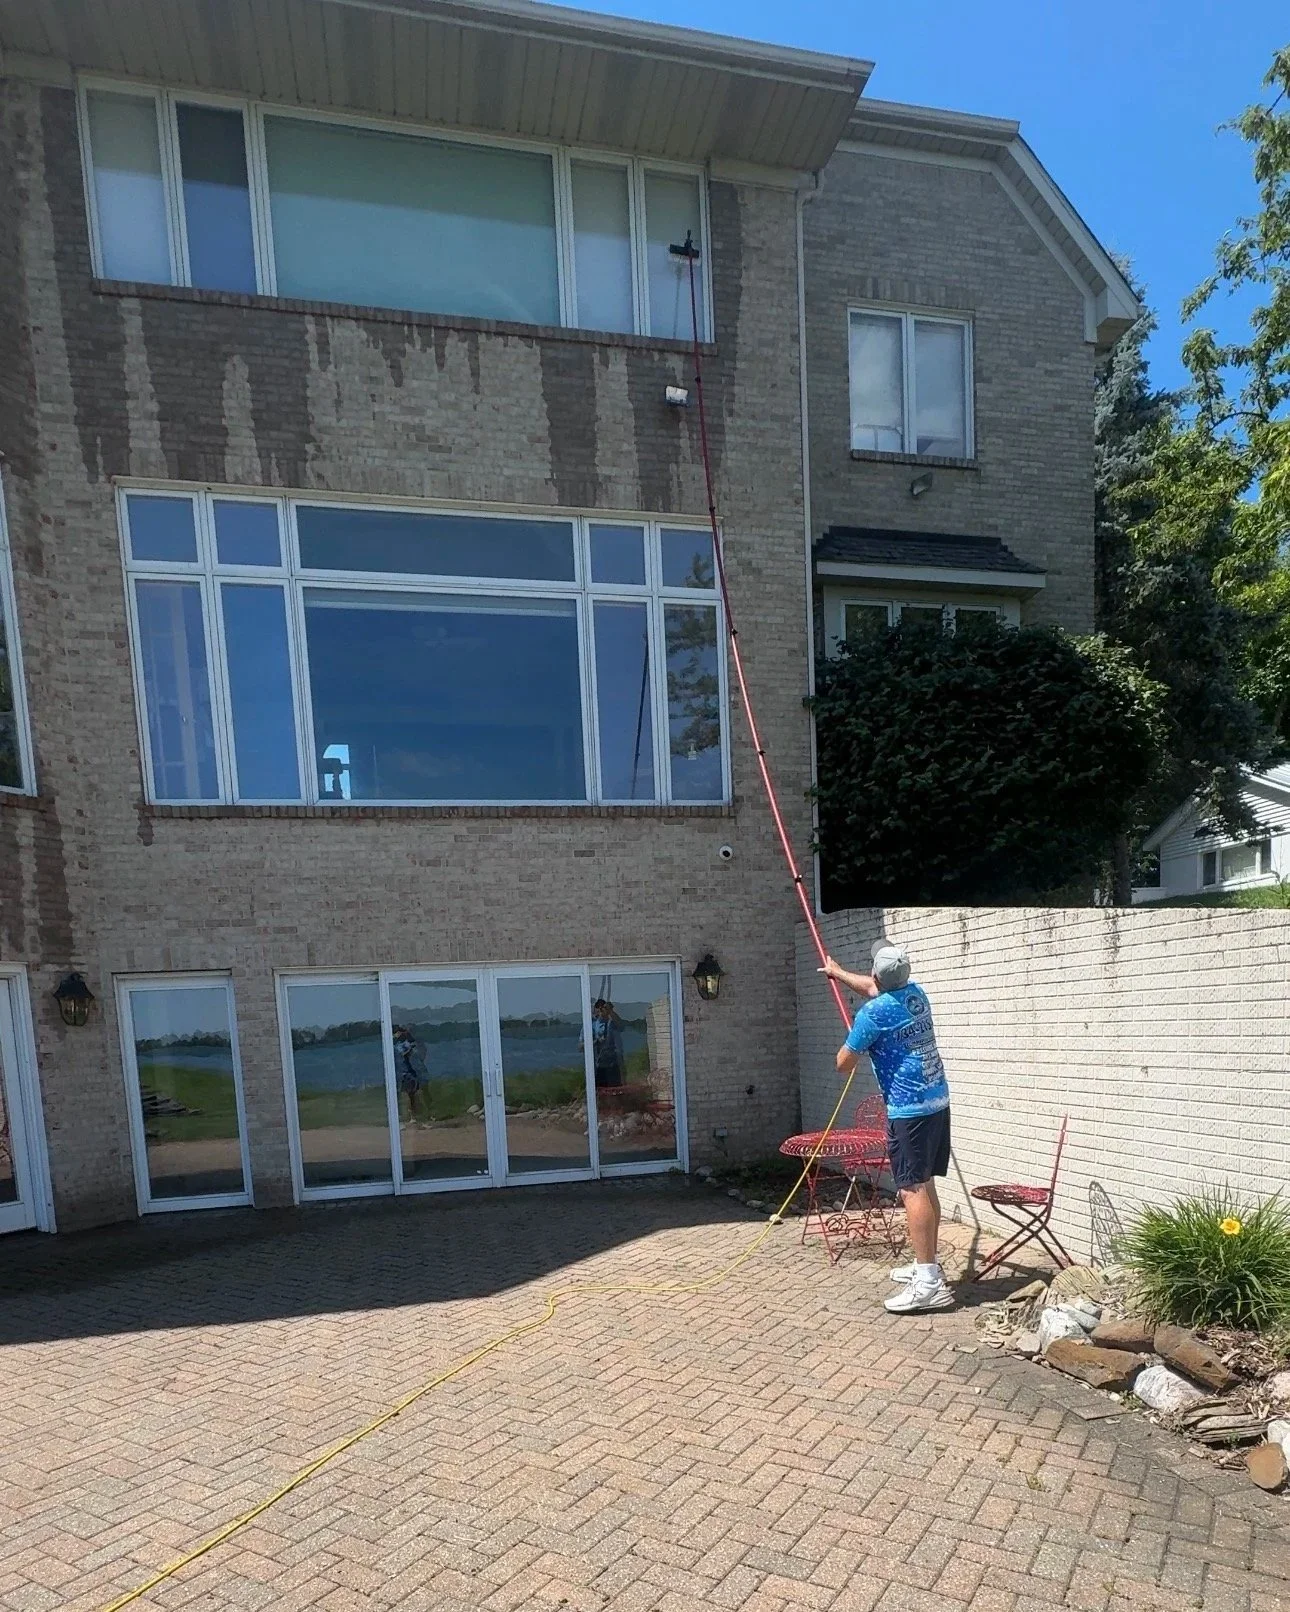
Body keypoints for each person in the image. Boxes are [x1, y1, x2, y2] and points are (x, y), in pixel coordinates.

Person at [822, 940, 954, 1314]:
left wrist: (859, 1036)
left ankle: (929, 1283)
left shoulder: (874, 1014)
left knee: (912, 1189)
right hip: (936, 1100)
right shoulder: (916, 995)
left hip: (909, 1111)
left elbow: (842, 1063)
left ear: (879, 974)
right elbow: (870, 986)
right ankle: (925, 1262)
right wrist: (836, 971)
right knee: (924, 1182)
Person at [589, 999, 626, 1088]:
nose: (601, 1009)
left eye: (603, 1007)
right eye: (598, 1007)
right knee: (601, 1093)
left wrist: (610, 1012)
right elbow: (581, 1047)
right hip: (598, 1066)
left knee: (615, 1091)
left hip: (613, 1065)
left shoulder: (612, 1024)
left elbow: (622, 1026)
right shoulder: (591, 1026)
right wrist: (596, 1042)